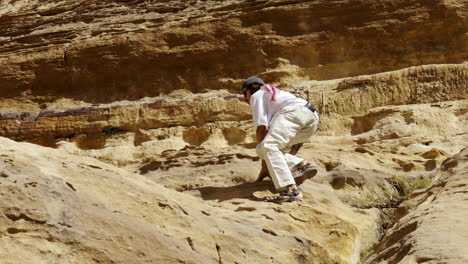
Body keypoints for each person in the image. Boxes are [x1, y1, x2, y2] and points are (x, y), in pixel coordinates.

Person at [241, 76, 320, 203]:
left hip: (293, 113)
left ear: (249, 91)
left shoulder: (257, 96)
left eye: (245, 94)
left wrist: (265, 163)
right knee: (270, 148)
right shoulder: (275, 95)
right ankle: (303, 165)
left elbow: (261, 128)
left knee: (264, 148)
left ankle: (291, 190)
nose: (245, 99)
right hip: (312, 120)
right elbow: (293, 142)